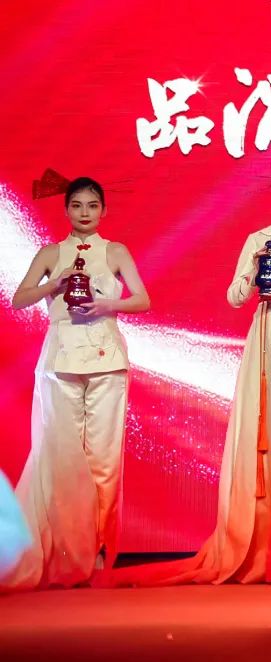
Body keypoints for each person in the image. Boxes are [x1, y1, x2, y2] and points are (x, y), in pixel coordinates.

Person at [115, 161, 271, 584]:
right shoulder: (259, 239)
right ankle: (265, 544)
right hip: (268, 336)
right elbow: (235, 297)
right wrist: (253, 269)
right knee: (268, 430)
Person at [4, 177, 150, 589]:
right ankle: (63, 551)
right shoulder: (51, 253)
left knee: (103, 461)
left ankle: (99, 550)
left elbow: (143, 299)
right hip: (60, 361)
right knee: (61, 460)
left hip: (107, 360)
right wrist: (56, 282)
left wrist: (107, 305)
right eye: (77, 205)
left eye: (92, 205)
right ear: (66, 209)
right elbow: (19, 298)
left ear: (103, 210)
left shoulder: (115, 251)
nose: (84, 213)